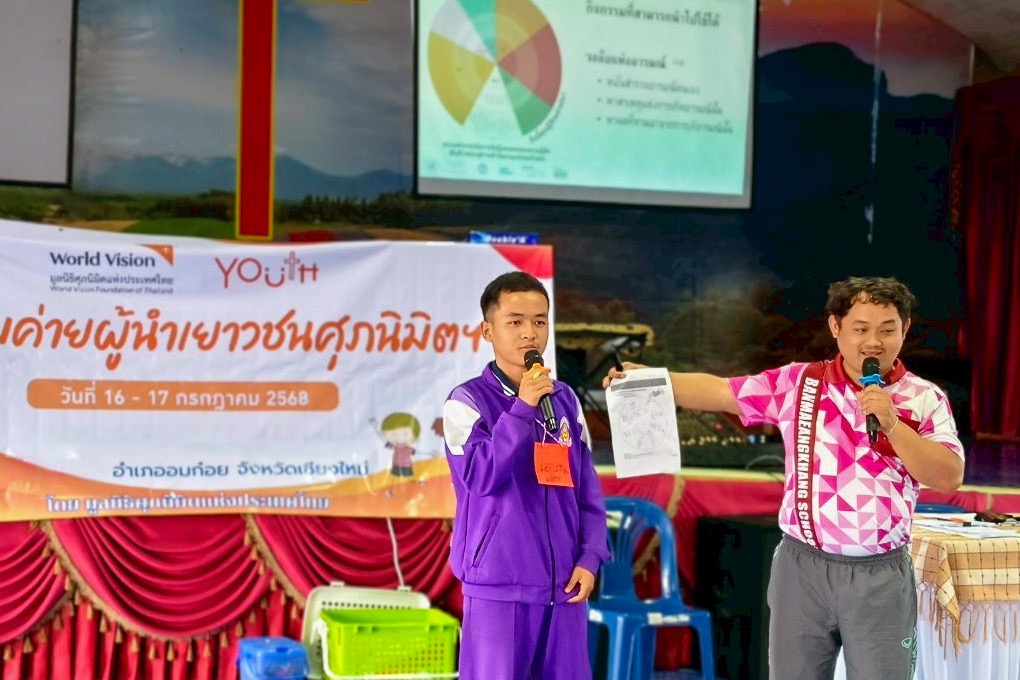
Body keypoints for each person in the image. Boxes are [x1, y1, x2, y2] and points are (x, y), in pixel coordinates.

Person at [603, 276, 964, 680]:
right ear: (836, 327)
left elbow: (949, 476)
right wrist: (652, 379)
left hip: (878, 576)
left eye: (887, 330)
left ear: (906, 329)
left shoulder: (925, 398)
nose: (873, 342)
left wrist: (893, 425)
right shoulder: (799, 383)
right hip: (800, 568)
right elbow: (722, 392)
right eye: (861, 329)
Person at [443, 271, 609, 680]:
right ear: (488, 331)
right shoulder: (465, 402)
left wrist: (590, 557)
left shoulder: (565, 401)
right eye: (514, 321)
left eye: (539, 321)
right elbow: (480, 478)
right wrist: (522, 409)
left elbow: (587, 490)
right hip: (499, 587)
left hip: (565, 586)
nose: (529, 333)